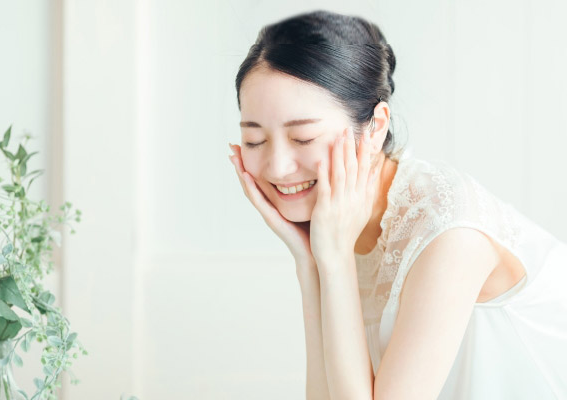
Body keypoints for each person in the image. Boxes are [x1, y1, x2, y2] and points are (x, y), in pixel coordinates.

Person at [227, 9, 567, 399]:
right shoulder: (335, 227)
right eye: (255, 141)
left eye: (303, 138)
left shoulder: (448, 229)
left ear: (375, 128)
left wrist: (333, 261)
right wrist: (309, 263)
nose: (277, 167)